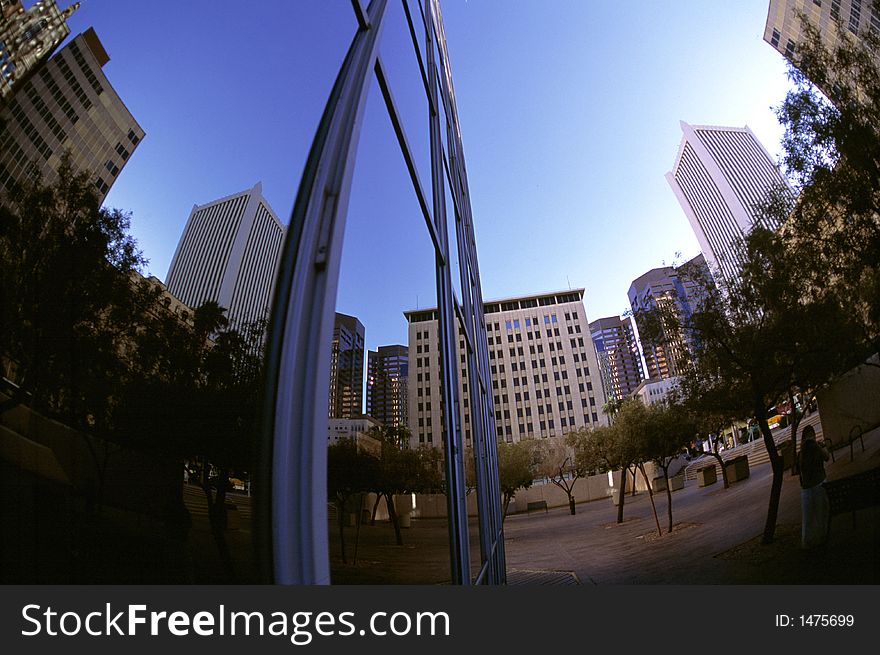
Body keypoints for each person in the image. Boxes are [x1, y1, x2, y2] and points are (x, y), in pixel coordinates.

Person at [798, 425, 830, 550]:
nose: (811, 438)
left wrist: (816, 445)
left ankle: (819, 537)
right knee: (809, 516)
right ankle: (810, 540)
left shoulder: (818, 447)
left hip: (817, 484)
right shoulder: (802, 452)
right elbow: (799, 469)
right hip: (809, 487)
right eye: (808, 436)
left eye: (812, 435)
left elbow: (826, 457)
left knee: (819, 512)